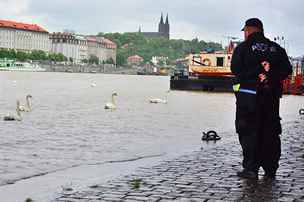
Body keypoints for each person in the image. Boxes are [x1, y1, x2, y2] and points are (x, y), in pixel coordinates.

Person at [231, 18, 292, 180]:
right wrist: (269, 77)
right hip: (271, 96)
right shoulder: (276, 48)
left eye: (245, 31)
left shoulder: (243, 48)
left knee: (248, 131)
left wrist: (255, 73)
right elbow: (287, 69)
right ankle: (270, 169)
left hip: (248, 97)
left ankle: (251, 168)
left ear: (249, 30)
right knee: (270, 131)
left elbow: (235, 69)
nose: (244, 34)